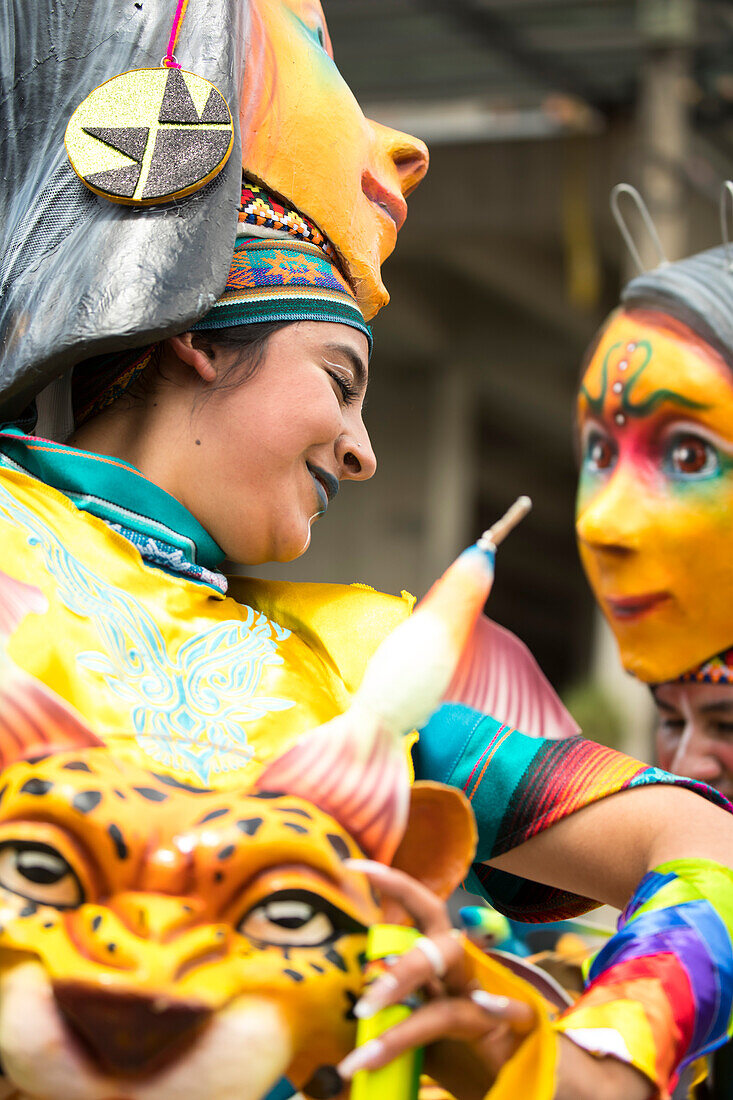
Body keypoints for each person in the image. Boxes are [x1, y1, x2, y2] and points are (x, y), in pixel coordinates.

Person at [1, 181, 732, 1100]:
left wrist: (609, 1052)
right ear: (197, 333)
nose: (362, 450)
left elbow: (701, 840)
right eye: (339, 383)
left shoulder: (352, 660)